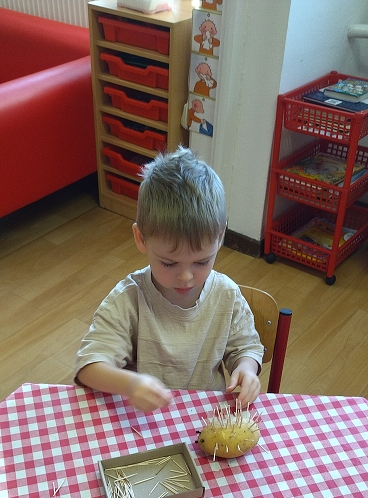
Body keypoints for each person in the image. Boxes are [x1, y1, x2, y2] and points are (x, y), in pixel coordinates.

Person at [74, 147, 264, 413]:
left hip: (208, 417)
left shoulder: (226, 295)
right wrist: (130, 384)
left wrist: (246, 369)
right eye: (168, 263)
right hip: (144, 422)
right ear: (141, 239)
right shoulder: (129, 299)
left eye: (201, 261)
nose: (186, 276)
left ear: (220, 238)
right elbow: (89, 366)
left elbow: (245, 347)